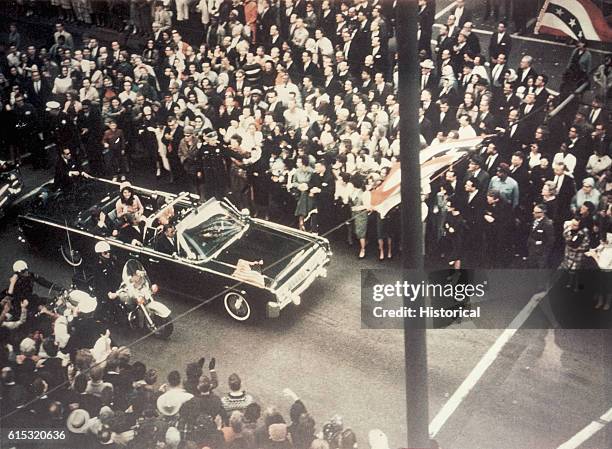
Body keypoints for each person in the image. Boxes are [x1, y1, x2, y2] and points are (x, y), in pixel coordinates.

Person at [91, 241, 122, 322]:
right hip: (102, 289)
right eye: (105, 253)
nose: (108, 254)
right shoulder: (97, 266)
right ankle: (96, 317)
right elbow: (101, 280)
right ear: (100, 254)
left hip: (112, 286)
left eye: (109, 252)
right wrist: (108, 293)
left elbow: (117, 271)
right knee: (103, 303)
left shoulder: (111, 260)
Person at [527, 204, 555, 269]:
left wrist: (543, 250)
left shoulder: (547, 224)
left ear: (543, 213)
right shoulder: (534, 220)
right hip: (532, 248)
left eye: (536, 212)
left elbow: (550, 240)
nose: (533, 213)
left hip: (541, 252)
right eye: (533, 211)